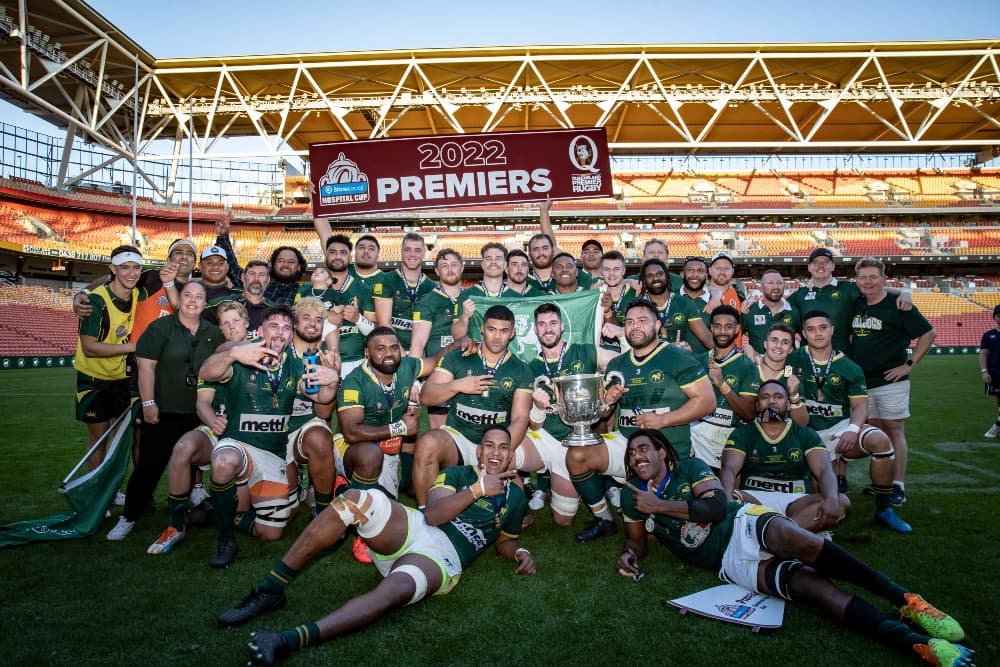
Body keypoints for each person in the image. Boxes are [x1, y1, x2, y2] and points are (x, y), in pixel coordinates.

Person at [617, 428, 971, 667]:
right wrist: (631, 553)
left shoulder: (690, 467)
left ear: (662, 451)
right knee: (815, 590)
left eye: (643, 448)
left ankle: (906, 600)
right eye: (631, 453)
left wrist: (661, 507)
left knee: (798, 539)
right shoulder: (632, 494)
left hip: (741, 524)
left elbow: (716, 507)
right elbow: (636, 537)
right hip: (729, 564)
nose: (636, 457)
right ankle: (915, 645)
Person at [217, 426, 534, 666]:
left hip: (442, 557)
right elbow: (435, 515)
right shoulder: (459, 473)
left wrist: (520, 552)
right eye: (489, 445)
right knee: (353, 501)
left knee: (394, 591)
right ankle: (271, 590)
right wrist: (477, 489)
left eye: (504, 448)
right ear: (478, 452)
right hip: (415, 525)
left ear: (510, 455)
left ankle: (286, 641)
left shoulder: (515, 497)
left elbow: (506, 540)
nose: (495, 453)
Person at [198, 305, 340, 567]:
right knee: (223, 461)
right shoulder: (245, 356)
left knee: (272, 532)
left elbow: (322, 399)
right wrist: (233, 354)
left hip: (273, 456)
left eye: (286, 328)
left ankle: (220, 512)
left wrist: (332, 379)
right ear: (261, 330)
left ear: (291, 334)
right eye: (274, 326)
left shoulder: (295, 365)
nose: (280, 333)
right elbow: (208, 372)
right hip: (239, 445)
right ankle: (225, 538)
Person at [566, 298, 714, 542]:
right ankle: (604, 519)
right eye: (630, 322)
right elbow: (602, 415)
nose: (635, 326)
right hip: (626, 443)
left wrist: (664, 420)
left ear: (657, 325)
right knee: (577, 454)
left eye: (642, 321)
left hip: (666, 449)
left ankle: (659, 497)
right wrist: (608, 402)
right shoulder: (617, 363)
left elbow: (706, 401)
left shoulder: (678, 357)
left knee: (657, 533)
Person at [107, 282, 223, 540]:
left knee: (204, 462)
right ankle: (128, 516)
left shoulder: (214, 332)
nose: (193, 301)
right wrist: (148, 403)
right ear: (178, 300)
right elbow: (146, 368)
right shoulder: (160, 327)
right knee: (149, 465)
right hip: (165, 409)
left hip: (200, 412)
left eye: (199, 297)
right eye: (188, 296)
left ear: (205, 303)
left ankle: (208, 509)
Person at [789, 310, 912, 533]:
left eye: (823, 328)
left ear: (832, 330)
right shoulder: (793, 358)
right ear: (804, 334)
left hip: (839, 429)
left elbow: (860, 405)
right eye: (811, 329)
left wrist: (853, 429)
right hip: (806, 434)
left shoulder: (849, 367)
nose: (818, 333)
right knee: (822, 497)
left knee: (881, 441)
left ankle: (884, 510)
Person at [146, 300, 251, 555]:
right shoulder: (213, 359)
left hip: (253, 436)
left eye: (236, 320)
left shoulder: (264, 350)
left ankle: (218, 510)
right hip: (219, 430)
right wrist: (213, 420)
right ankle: (176, 525)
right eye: (225, 323)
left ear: (247, 322)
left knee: (243, 511)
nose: (231, 327)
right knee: (182, 448)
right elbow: (202, 403)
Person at [413, 305, 534, 507]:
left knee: (518, 510)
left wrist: (498, 452)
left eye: (504, 331)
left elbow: (521, 418)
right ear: (482, 329)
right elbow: (426, 396)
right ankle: (426, 513)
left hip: (494, 443)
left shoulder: (521, 370)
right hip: (459, 437)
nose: (497, 337)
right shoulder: (459, 356)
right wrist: (459, 385)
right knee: (427, 443)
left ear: (512, 333)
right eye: (491, 329)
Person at [517, 303, 613, 526]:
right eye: (541, 324)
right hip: (544, 439)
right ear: (535, 329)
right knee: (507, 448)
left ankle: (581, 488)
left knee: (563, 520)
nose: (547, 329)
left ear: (562, 326)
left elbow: (622, 363)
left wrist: (608, 394)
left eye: (552, 323)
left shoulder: (585, 351)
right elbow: (533, 425)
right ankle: (517, 506)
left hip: (576, 443)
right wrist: (539, 409)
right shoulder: (529, 368)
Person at [851, 257, 935, 508]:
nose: (868, 282)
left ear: (883, 279)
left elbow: (928, 334)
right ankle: (882, 481)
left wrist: (908, 365)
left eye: (873, 277)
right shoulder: (857, 302)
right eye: (863, 277)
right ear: (857, 280)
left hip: (890, 380)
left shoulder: (898, 305)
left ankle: (897, 484)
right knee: (875, 431)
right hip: (862, 381)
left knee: (894, 430)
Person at [720, 380, 847, 534]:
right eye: (765, 397)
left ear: (788, 405)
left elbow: (824, 470)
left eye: (778, 396)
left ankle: (771, 538)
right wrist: (727, 498)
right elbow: (729, 468)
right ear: (758, 405)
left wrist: (832, 498)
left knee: (841, 502)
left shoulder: (805, 434)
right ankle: (796, 535)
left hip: (797, 500)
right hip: (755, 498)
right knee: (730, 497)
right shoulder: (743, 433)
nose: (772, 401)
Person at [74, 245, 144, 471]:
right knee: (99, 442)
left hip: (123, 379)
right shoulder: (95, 302)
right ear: (113, 268)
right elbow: (89, 348)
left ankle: (111, 492)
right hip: (94, 380)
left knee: (121, 442)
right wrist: (134, 347)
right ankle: (96, 496)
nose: (131, 273)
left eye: (136, 268)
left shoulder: (137, 293)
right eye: (124, 268)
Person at [789, 247, 911, 353]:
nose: (821, 266)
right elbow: (779, 310)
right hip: (809, 358)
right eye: (816, 262)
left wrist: (903, 293)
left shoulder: (848, 288)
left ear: (833, 266)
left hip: (843, 358)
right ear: (809, 267)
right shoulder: (800, 295)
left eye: (826, 262)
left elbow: (877, 289)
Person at [70, 238, 193, 340]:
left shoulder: (195, 290)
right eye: (178, 253)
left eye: (189, 254)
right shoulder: (152, 276)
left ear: (194, 262)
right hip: (138, 355)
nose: (184, 257)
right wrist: (83, 292)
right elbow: (112, 277)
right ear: (168, 260)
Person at [689, 305, 759, 470]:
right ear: (711, 328)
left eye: (728, 327)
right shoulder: (697, 361)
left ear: (737, 329)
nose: (722, 331)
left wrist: (722, 385)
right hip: (695, 440)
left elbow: (749, 413)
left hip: (725, 441)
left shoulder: (747, 366)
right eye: (718, 326)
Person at [411, 249, 465, 429]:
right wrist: (414, 380)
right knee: (440, 431)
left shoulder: (473, 297)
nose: (449, 270)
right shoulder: (428, 300)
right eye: (444, 265)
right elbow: (418, 342)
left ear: (462, 267)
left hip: (468, 371)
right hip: (439, 373)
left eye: (453, 265)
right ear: (436, 271)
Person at [321, 234, 377, 378]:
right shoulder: (309, 290)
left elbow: (375, 331)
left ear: (350, 259)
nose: (338, 257)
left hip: (355, 364)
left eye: (343, 253)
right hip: (320, 361)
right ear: (325, 256)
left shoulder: (364, 290)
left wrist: (358, 318)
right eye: (332, 252)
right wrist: (326, 315)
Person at [215, 218, 306, 305]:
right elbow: (233, 269)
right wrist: (223, 237)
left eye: (291, 262)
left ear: (299, 267)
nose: (285, 264)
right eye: (281, 261)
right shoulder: (260, 281)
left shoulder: (306, 291)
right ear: (273, 264)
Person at [372, 232, 434, 352]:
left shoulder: (431, 287)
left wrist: (417, 352)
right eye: (407, 250)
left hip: (420, 352)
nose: (412, 254)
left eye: (417, 250)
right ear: (401, 252)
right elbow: (384, 322)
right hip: (392, 350)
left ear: (424, 253)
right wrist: (400, 353)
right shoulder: (387, 279)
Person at [742, 269, 800, 358]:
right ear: (761, 288)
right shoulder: (749, 311)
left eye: (779, 283)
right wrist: (746, 348)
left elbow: (807, 336)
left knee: (790, 372)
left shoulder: (795, 311)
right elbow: (734, 337)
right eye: (770, 283)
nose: (775, 286)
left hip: (788, 367)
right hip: (758, 368)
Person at [599, 250, 638, 353]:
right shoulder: (595, 294)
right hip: (600, 354)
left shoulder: (637, 295)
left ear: (624, 271)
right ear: (601, 271)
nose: (611, 274)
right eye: (607, 269)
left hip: (629, 352)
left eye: (616, 269)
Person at [235, 260, 275, 333]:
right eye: (252, 274)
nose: (256, 279)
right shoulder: (225, 304)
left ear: (268, 280)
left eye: (262, 275)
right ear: (243, 277)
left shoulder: (275, 310)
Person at [980, 304, 1000, 438]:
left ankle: (996, 426)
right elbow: (983, 354)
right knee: (999, 400)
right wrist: (984, 371)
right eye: (999, 316)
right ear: (995, 317)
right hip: (995, 373)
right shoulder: (988, 335)